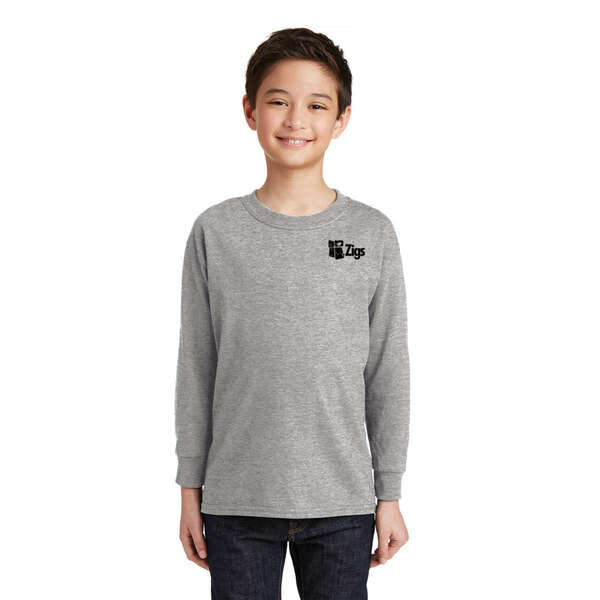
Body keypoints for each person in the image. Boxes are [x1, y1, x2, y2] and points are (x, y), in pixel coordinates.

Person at [174, 27, 411, 599]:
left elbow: (388, 370)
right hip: (236, 501)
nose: (296, 119)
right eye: (278, 101)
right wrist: (189, 489)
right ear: (250, 111)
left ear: (342, 119)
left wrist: (389, 493)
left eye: (317, 105)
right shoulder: (216, 231)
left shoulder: (371, 233)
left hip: (343, 504)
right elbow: (197, 366)